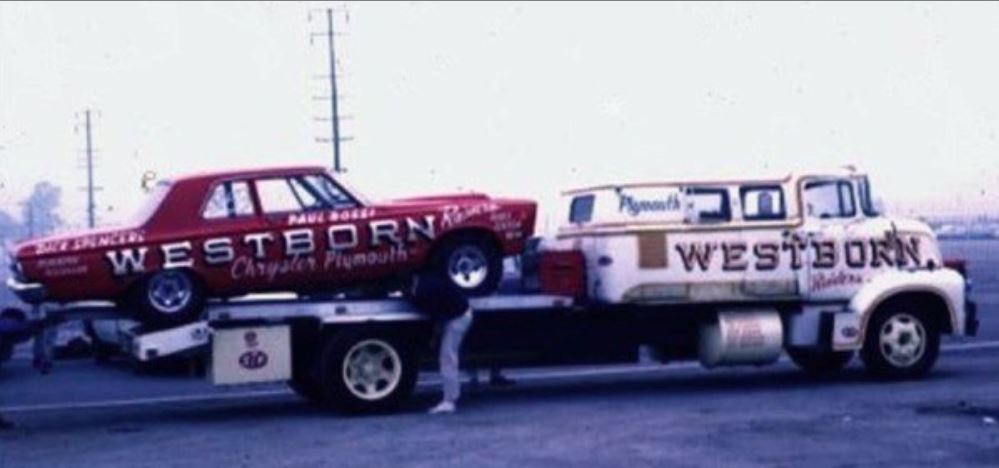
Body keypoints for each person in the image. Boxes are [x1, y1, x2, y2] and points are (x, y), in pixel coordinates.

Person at [407, 271, 473, 415]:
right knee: (448, 356)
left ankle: (449, 401)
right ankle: (451, 397)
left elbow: (436, 318)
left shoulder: (423, 292)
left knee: (447, 357)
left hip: (458, 317)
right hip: (459, 312)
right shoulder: (426, 282)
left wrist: (433, 339)